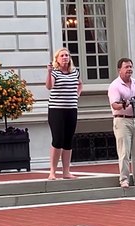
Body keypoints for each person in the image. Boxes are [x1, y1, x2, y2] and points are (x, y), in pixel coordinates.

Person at [108, 58, 135, 188]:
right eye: (126, 67)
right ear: (119, 70)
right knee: (124, 152)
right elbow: (114, 105)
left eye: (131, 67)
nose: (129, 69)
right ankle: (124, 179)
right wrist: (124, 103)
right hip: (122, 120)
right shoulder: (115, 86)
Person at [46, 48, 83, 180]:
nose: (65, 57)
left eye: (67, 55)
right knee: (58, 140)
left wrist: (76, 95)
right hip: (56, 110)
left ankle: (66, 171)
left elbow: (80, 84)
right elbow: (49, 86)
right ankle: (53, 171)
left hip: (71, 109)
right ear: (57, 59)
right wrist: (49, 72)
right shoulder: (55, 73)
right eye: (62, 55)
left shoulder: (75, 72)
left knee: (68, 140)